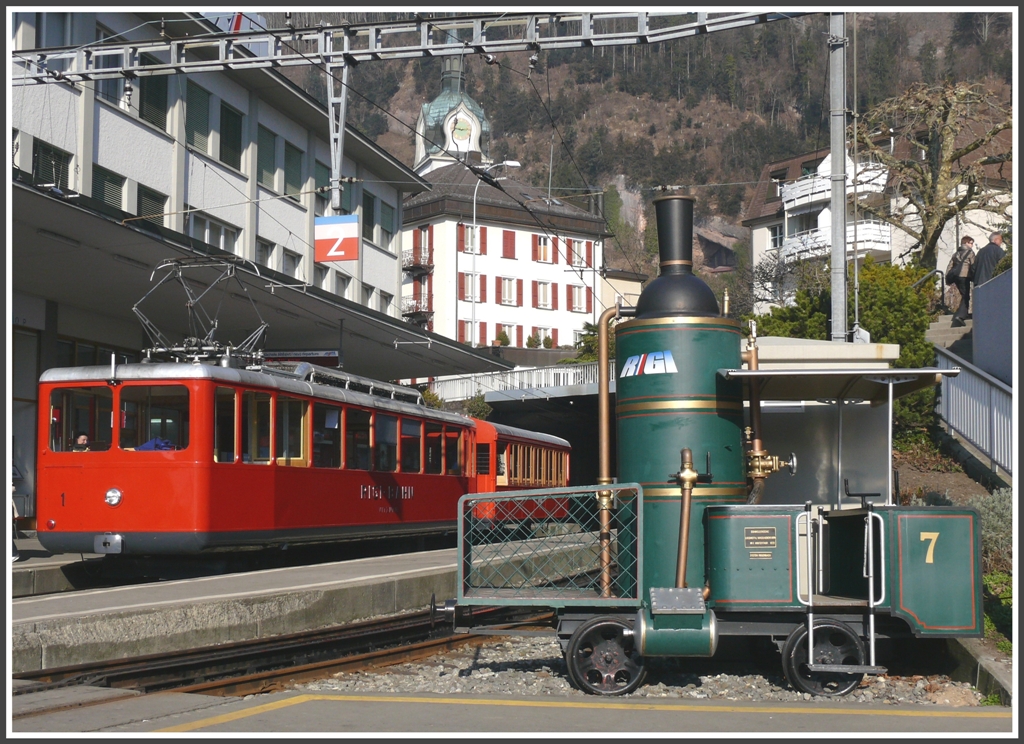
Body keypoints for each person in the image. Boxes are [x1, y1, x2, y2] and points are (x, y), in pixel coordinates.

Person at [946, 236, 976, 328]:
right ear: (966, 243)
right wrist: (975, 277)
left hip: (956, 277)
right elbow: (973, 265)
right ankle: (961, 316)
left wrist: (947, 279)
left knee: (964, 295)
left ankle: (963, 313)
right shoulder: (970, 253)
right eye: (971, 243)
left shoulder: (956, 254)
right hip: (965, 276)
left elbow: (949, 266)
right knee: (966, 296)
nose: (972, 245)